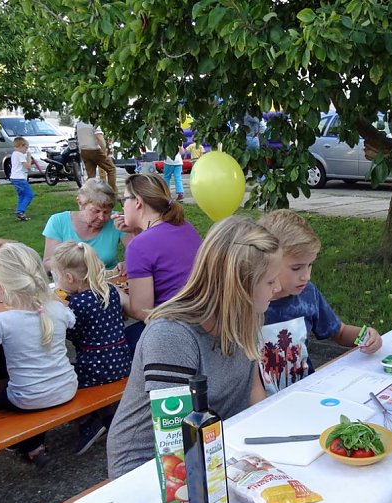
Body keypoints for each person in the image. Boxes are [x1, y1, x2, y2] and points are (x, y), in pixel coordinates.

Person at [106, 216, 282, 479]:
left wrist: (272, 444)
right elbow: (173, 440)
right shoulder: (172, 335)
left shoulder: (247, 315)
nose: (278, 288)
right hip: (152, 468)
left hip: (218, 448)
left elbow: (253, 389)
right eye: (270, 282)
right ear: (239, 287)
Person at [257, 209, 382, 394]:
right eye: (296, 268)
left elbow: (339, 331)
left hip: (307, 392)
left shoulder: (308, 294)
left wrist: (367, 336)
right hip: (263, 405)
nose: (306, 276)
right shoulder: (252, 303)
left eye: (310, 265)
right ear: (268, 261)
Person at [0, 243, 77, 468]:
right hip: (67, 387)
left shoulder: (1, 321)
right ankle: (34, 444)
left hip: (27, 399)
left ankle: (31, 446)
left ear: (1, 288)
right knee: (30, 389)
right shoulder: (58, 309)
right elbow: (70, 321)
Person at [51, 241, 131, 455]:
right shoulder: (109, 291)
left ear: (69, 278)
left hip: (97, 368)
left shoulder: (77, 304)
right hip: (122, 362)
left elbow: (68, 334)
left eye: (56, 277)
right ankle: (106, 416)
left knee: (59, 378)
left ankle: (88, 421)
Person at [112, 173, 202, 352]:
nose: (123, 207)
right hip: (201, 320)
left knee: (114, 344)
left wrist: (116, 293)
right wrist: (136, 231)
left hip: (173, 333)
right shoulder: (185, 226)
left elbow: (142, 311)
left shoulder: (139, 245)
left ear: (137, 201)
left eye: (124, 200)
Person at [42, 179, 129, 273]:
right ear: (81, 204)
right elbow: (47, 264)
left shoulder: (116, 220)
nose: (101, 217)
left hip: (109, 281)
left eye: (106, 212)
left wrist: (127, 263)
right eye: (96, 211)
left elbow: (138, 253)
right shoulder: (58, 221)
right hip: (72, 282)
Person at [76, 121, 117, 191]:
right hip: (94, 150)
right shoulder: (94, 122)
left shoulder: (79, 123)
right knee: (111, 169)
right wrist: (104, 151)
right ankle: (113, 193)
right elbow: (99, 138)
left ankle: (87, 195)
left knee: (91, 176)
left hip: (83, 151)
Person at [9, 137, 41, 222]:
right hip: (19, 179)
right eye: (26, 147)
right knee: (29, 194)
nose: (26, 150)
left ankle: (20, 213)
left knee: (22, 195)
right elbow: (27, 166)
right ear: (21, 146)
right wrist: (29, 156)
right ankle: (20, 211)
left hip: (14, 178)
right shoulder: (19, 154)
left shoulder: (14, 154)